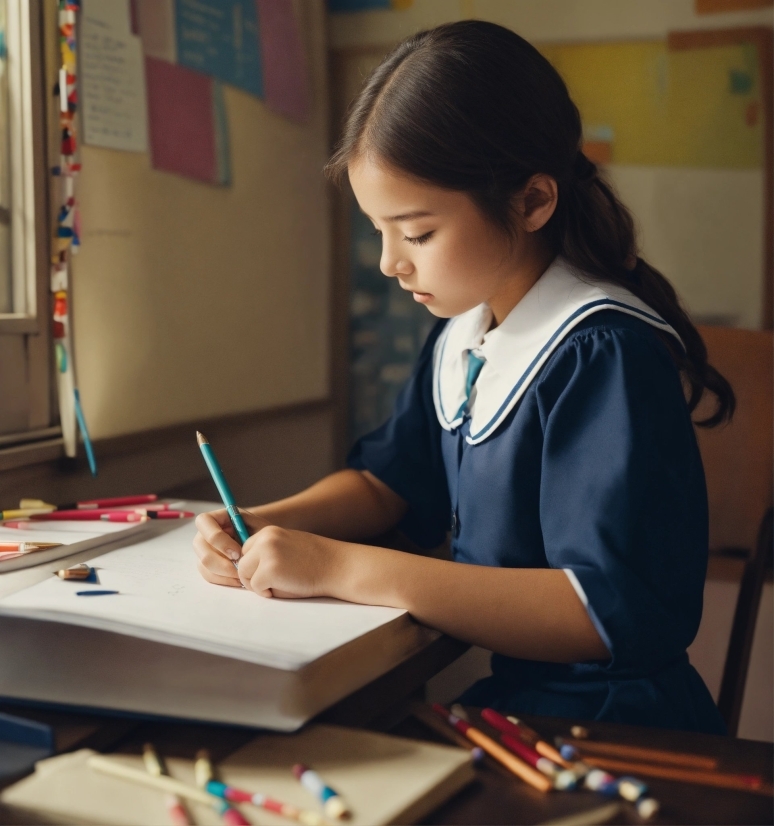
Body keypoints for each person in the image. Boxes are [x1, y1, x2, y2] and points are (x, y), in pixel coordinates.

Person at [193, 21, 734, 733]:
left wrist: (341, 570)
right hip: (519, 705)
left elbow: (601, 612)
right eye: (377, 230)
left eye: (416, 233)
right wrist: (265, 522)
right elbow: (388, 483)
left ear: (533, 202)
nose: (391, 262)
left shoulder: (601, 352)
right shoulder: (465, 333)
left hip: (615, 724)